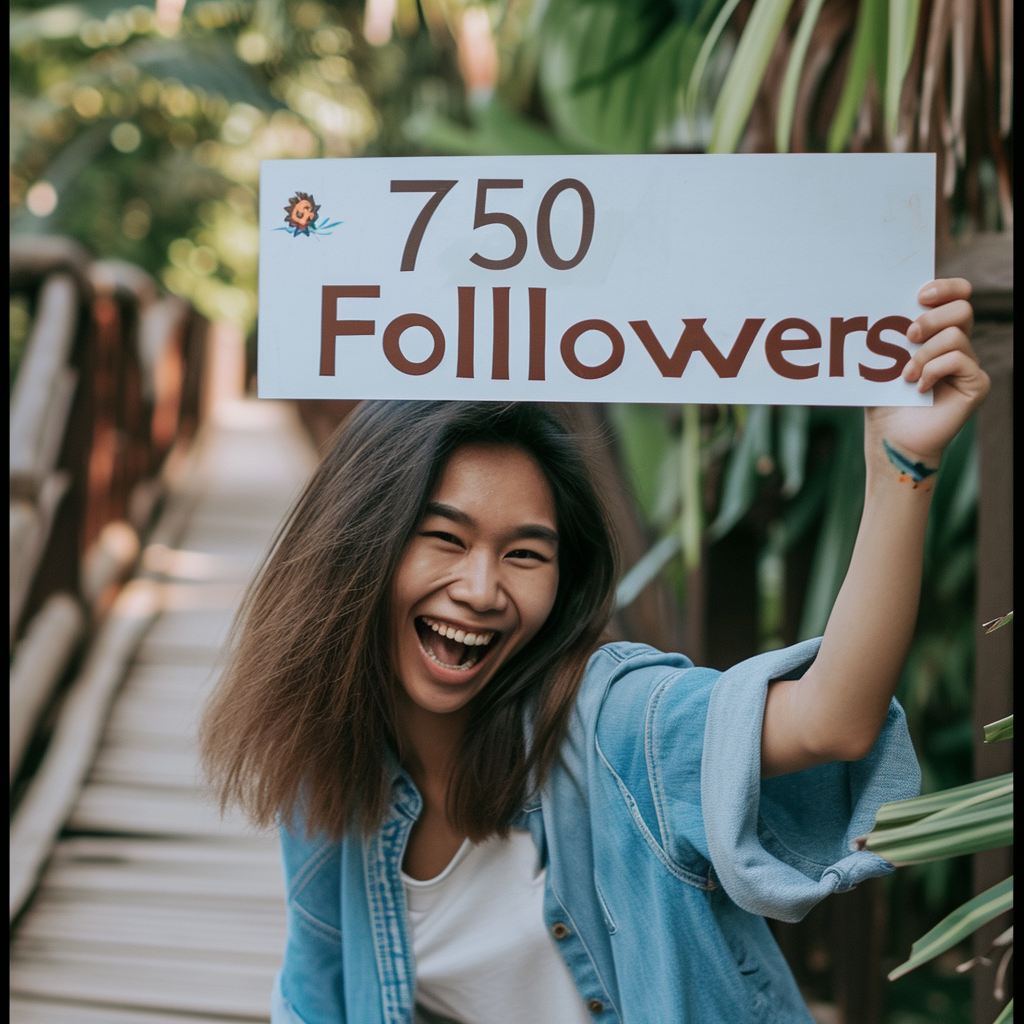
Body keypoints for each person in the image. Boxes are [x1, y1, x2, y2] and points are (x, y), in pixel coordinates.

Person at [200, 278, 988, 1024]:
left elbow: (831, 723)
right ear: (358, 546)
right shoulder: (329, 770)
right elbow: (313, 996)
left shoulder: (614, 721)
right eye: (444, 538)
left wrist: (902, 470)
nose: (481, 589)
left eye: (525, 554)